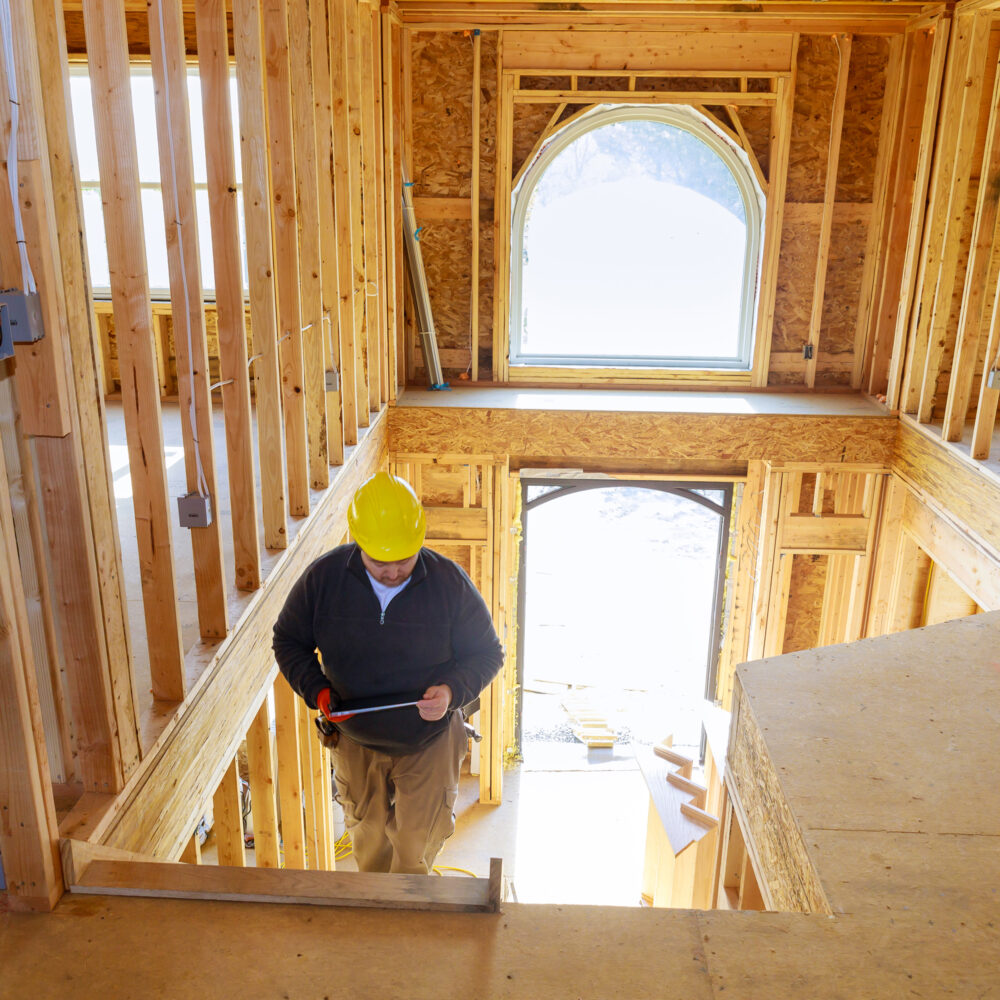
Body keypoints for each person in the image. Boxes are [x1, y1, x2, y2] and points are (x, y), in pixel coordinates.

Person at [272, 470, 504, 874]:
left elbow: (487, 654)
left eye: (404, 560)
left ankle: (410, 910)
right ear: (359, 543)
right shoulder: (324, 580)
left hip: (430, 738)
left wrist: (451, 692)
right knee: (370, 850)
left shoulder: (449, 584)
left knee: (416, 851)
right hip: (354, 739)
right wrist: (318, 692)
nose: (394, 572)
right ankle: (380, 912)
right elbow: (288, 641)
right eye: (381, 562)